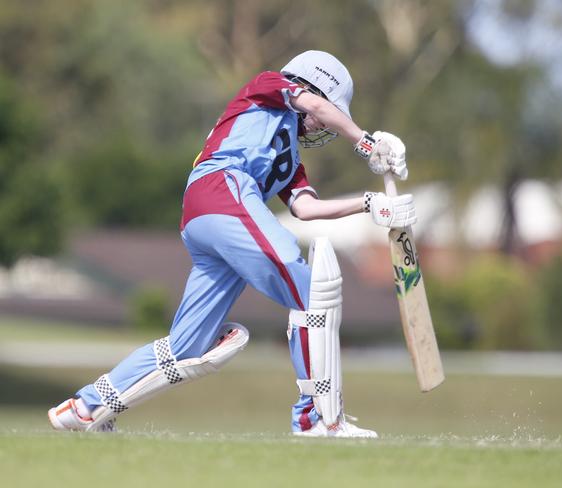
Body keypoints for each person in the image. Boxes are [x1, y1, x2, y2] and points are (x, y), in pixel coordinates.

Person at [47, 50, 416, 438]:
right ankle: (318, 420)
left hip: (209, 217)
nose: (322, 123)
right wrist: (366, 142)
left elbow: (305, 208)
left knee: (188, 346)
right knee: (312, 292)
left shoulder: (290, 157)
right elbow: (311, 104)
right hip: (224, 187)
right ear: (311, 87)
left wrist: (371, 204)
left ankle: (84, 408)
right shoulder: (267, 86)